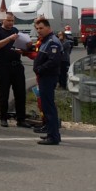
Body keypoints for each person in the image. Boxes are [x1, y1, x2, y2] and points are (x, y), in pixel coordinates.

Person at [0, 12, 31, 128]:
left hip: (16, 64)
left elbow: (21, 45)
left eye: (12, 21)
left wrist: (23, 49)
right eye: (8, 20)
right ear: (3, 20)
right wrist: (9, 38)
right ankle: (3, 117)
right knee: (4, 92)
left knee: (20, 92)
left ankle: (21, 119)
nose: (11, 23)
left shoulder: (15, 30)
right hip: (3, 65)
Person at [33, 17, 63, 145]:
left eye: (41, 28)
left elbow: (53, 61)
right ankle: (52, 133)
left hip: (48, 77)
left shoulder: (53, 42)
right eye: (37, 28)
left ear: (48, 28)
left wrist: (40, 69)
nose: (39, 31)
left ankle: (53, 137)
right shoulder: (45, 41)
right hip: (44, 77)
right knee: (46, 106)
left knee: (49, 107)